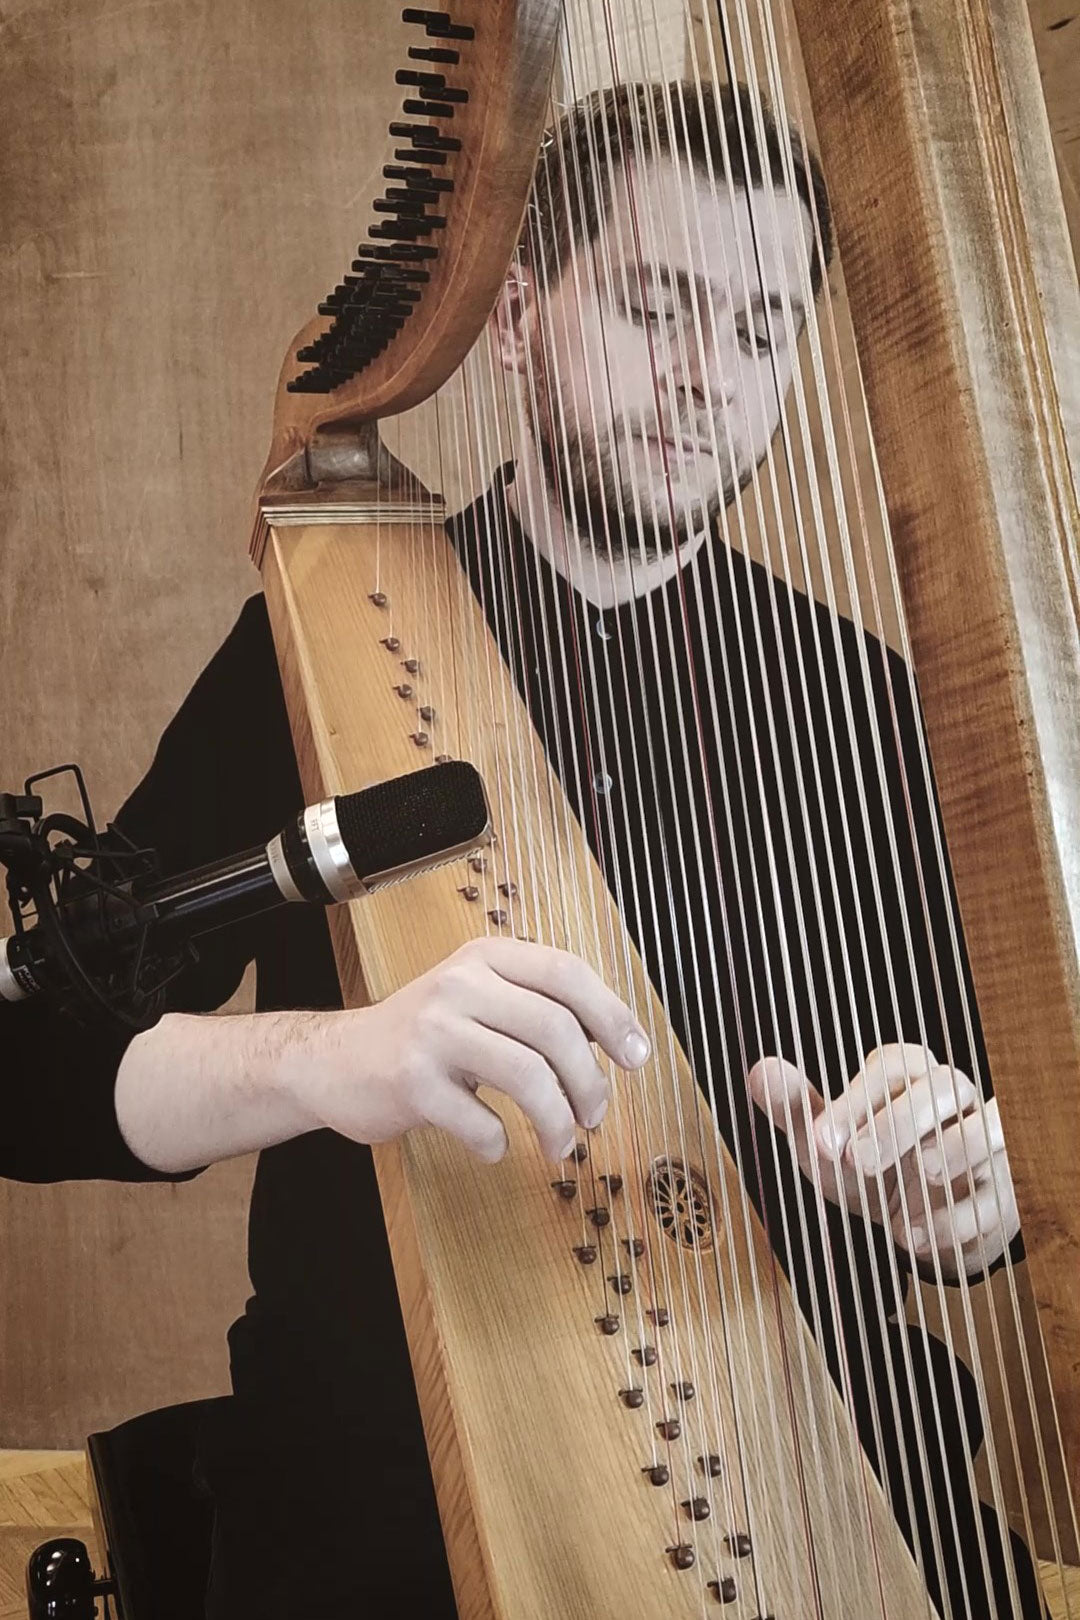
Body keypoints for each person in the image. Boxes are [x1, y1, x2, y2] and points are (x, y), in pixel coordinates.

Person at [1, 79, 1040, 1619]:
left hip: (817, 1475)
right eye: (654, 305)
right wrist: (328, 1062)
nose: (707, 378)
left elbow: (980, 1162)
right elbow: (27, 1069)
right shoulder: (301, 647)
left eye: (756, 333)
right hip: (380, 1496)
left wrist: (972, 1197)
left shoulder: (873, 712)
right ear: (518, 315)